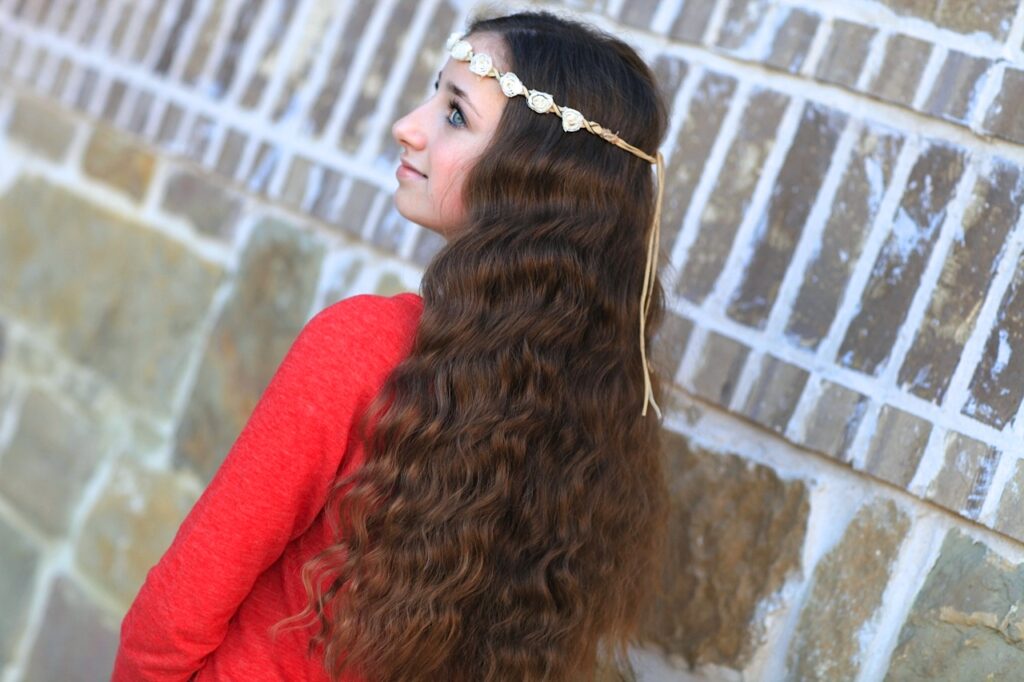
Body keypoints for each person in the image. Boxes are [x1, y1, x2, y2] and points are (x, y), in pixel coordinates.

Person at [113, 9, 670, 682]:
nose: (408, 126)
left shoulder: (361, 347)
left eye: (455, 114)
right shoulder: (602, 417)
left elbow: (176, 610)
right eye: (434, 94)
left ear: (535, 177)